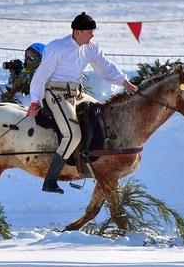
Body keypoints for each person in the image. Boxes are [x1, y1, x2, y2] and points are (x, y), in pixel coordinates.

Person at [27, 12, 138, 194]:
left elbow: (105, 66)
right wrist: (34, 101)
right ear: (77, 32)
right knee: (72, 135)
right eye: (89, 32)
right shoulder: (57, 48)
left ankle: (88, 162)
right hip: (56, 94)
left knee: (100, 115)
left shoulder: (91, 47)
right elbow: (41, 75)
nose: (92, 35)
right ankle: (51, 179)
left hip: (77, 94)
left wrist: (124, 82)